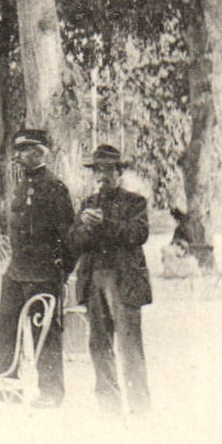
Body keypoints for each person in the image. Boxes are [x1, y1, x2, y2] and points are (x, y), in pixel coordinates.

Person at [0, 128, 74, 408]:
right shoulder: (21, 187)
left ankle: (51, 392)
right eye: (18, 150)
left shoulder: (55, 188)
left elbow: (68, 237)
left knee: (44, 333)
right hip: (16, 271)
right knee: (6, 327)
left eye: (24, 151)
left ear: (40, 153)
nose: (18, 156)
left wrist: (61, 272)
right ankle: (9, 386)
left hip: (43, 274)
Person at [72, 144, 153, 415]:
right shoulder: (88, 204)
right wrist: (83, 226)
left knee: (130, 347)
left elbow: (137, 235)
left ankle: (140, 409)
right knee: (98, 345)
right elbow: (76, 243)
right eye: (98, 171)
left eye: (108, 170)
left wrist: (103, 224)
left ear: (119, 172)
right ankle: (108, 407)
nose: (102, 176)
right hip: (94, 279)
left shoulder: (135, 202)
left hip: (124, 281)